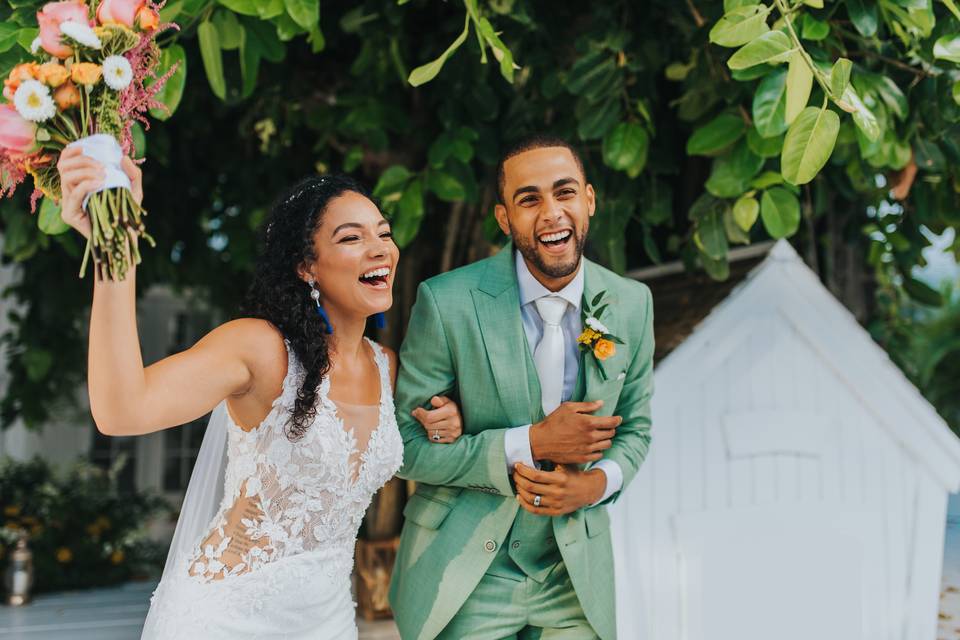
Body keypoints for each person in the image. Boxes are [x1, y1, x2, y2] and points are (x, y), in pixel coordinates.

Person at [55, 148, 463, 639]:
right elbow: (122, 410)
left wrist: (448, 421)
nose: (380, 249)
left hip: (328, 622)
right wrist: (113, 249)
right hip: (228, 618)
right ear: (306, 267)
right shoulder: (262, 349)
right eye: (352, 238)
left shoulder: (389, 367)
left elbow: (425, 443)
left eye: (384, 233)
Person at [389, 135, 656, 639]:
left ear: (590, 201)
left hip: (572, 574)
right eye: (529, 199)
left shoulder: (631, 303)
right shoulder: (447, 302)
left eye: (565, 192)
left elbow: (637, 428)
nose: (552, 212)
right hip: (467, 573)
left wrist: (593, 486)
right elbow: (403, 448)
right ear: (504, 218)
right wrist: (530, 443)